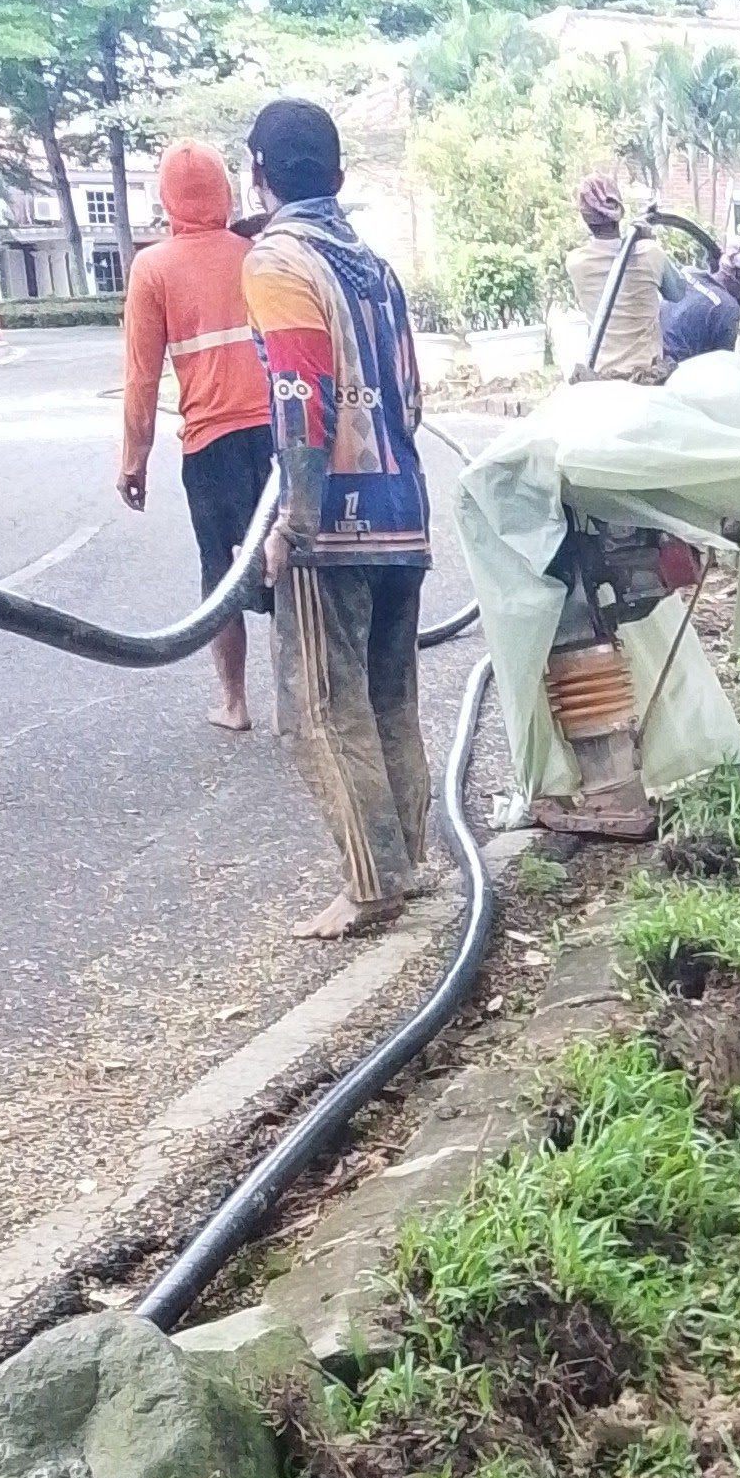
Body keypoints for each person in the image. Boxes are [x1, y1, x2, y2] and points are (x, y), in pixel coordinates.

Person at [239, 99, 434, 941]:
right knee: (390, 694)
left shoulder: (278, 260)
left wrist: (297, 518)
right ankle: (409, 860)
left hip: (337, 519)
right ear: (339, 174)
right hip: (405, 507)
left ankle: (369, 884)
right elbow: (413, 398)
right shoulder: (376, 267)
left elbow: (298, 396)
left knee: (321, 704)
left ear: (259, 170)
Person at [118, 141, 276, 734]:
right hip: (277, 437)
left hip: (210, 445)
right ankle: (297, 697)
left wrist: (134, 460)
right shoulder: (258, 253)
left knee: (222, 573)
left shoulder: (153, 269)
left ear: (166, 201)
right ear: (225, 193)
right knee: (289, 566)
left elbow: (140, 377)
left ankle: (234, 702)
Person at [566, 176, 668, 381]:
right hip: (648, 378)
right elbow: (678, 293)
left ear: (585, 217)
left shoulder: (576, 262)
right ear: (620, 210)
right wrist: (646, 242)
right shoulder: (650, 252)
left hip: (602, 377)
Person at [660, 237, 740, 369]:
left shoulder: (687, 273)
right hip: (677, 373)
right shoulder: (727, 308)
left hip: (651, 357)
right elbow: (721, 366)